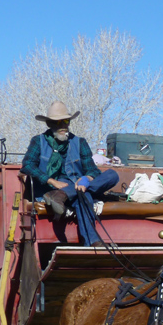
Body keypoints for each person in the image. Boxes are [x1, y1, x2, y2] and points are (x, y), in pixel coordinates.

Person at [20, 101, 119, 246]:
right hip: (50, 190)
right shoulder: (38, 141)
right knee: (84, 196)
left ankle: (66, 193)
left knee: (112, 175)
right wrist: (52, 182)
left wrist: (86, 178)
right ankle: (93, 241)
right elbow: (27, 165)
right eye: (58, 122)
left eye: (66, 121)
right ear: (49, 124)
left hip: (77, 186)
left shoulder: (80, 142)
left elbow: (92, 170)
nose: (63, 126)